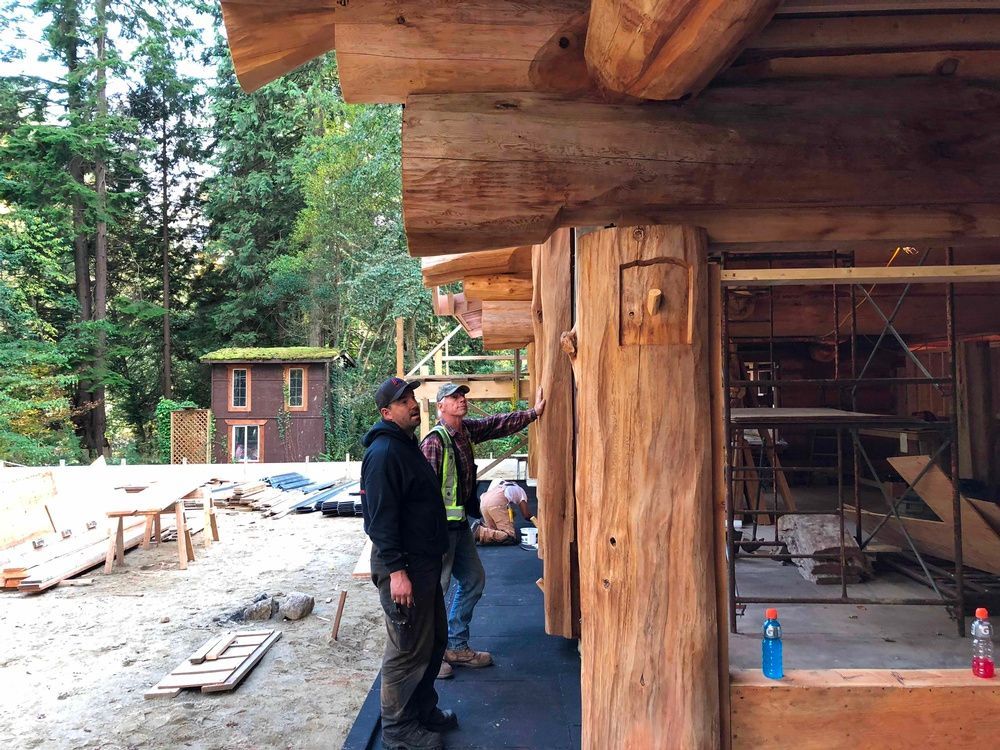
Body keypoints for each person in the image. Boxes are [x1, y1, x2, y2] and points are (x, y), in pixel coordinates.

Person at [420, 382, 545, 678]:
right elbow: (422, 493)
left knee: (473, 579)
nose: (462, 400)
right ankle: (429, 658)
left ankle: (456, 645)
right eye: (454, 397)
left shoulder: (464, 431)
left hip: (461, 525)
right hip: (440, 531)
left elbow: (495, 424)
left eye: (463, 396)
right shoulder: (434, 442)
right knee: (435, 592)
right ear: (440, 406)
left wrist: (533, 413)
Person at [361, 376, 458, 750]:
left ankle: (421, 712)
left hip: (423, 565)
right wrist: (397, 573)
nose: (413, 404)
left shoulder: (405, 445)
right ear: (387, 413)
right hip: (404, 569)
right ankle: (399, 730)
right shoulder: (384, 454)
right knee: (407, 651)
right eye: (403, 401)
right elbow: (379, 521)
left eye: (412, 397)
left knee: (432, 642)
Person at [472, 479, 533, 545]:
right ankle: (480, 531)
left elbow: (490, 503)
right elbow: (526, 515)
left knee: (494, 531)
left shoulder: (497, 483)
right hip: (496, 503)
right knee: (510, 536)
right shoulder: (520, 491)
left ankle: (482, 527)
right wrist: (537, 522)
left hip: (483, 503)